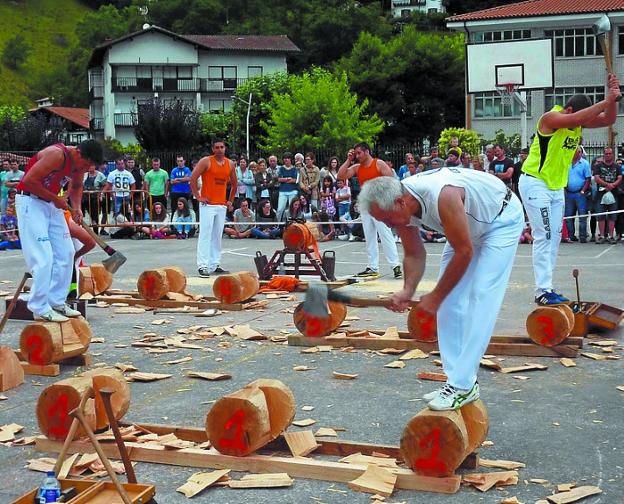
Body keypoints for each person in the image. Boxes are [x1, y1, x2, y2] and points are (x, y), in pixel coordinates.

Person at [358, 168, 523, 410]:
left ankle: (463, 386)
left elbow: (464, 252)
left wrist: (435, 296)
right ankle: (456, 381)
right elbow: (414, 253)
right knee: (449, 301)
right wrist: (407, 291)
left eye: (386, 219)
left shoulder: (442, 195)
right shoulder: (400, 207)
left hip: (501, 220)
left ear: (400, 202)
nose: (387, 225)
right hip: (469, 226)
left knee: (482, 295)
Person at [519, 76, 621, 304]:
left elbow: (608, 119)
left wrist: (612, 97)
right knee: (544, 235)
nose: (581, 125)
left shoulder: (577, 122)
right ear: (570, 109)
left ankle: (547, 287)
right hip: (535, 182)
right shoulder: (551, 118)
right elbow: (578, 117)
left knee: (554, 238)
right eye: (579, 117)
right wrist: (606, 100)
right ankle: (542, 291)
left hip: (556, 187)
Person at [15, 139, 103, 322]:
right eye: (85, 164)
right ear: (78, 153)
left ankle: (56, 302)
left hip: (51, 204)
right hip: (31, 202)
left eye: (89, 167)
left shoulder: (79, 166)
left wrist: (77, 207)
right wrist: (55, 198)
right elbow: (29, 181)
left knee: (67, 252)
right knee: (43, 257)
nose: (86, 169)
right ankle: (39, 306)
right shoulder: (56, 155)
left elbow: (77, 186)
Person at [337, 142, 402, 278]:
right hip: (366, 204)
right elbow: (341, 176)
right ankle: (373, 267)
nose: (357, 156)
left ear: (366, 152)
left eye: (359, 153)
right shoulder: (356, 167)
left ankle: (395, 265)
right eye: (355, 154)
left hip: (380, 204)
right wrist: (348, 160)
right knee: (370, 236)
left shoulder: (379, 164)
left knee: (385, 234)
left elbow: (391, 182)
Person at [190, 139, 238, 277]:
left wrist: (230, 201)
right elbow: (193, 178)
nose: (219, 149)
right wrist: (198, 197)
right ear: (213, 149)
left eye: (222, 147)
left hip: (221, 205)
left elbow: (235, 185)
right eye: (216, 147)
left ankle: (214, 264)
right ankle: (203, 265)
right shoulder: (206, 161)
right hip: (208, 204)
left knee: (217, 236)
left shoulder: (229, 163)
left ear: (225, 148)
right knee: (205, 234)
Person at [593, 146, 622, 244]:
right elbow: (596, 178)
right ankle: (601, 236)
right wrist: (606, 185)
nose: (608, 155)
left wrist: (613, 185)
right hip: (601, 194)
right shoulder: (598, 166)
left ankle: (611, 236)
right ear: (604, 155)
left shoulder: (617, 167)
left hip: (613, 194)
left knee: (612, 216)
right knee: (601, 216)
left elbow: (620, 178)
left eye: (610, 153)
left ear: (612, 155)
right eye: (606, 154)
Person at [564, 147, 591, 243]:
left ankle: (582, 236)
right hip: (568, 193)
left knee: (582, 215)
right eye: (576, 152)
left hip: (580, 193)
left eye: (579, 152)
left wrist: (583, 190)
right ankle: (571, 236)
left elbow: (588, 179)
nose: (578, 153)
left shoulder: (585, 164)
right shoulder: (567, 162)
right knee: (568, 216)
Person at [82, 163, 106, 234]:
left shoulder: (100, 175)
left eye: (91, 165)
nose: (89, 167)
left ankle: (95, 232)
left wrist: (101, 193)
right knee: (83, 211)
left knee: (95, 213)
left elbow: (105, 185)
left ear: (95, 166)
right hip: (85, 196)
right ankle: (82, 230)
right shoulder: (85, 175)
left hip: (95, 196)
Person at [276, 152, 299, 221]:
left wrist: (284, 179)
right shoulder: (281, 168)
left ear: (290, 159)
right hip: (282, 191)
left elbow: (295, 180)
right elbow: (279, 179)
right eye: (285, 158)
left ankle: (291, 223)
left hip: (293, 191)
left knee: (291, 209)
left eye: (288, 158)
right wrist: (287, 179)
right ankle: (277, 224)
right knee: (280, 209)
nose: (286, 160)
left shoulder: (295, 169)